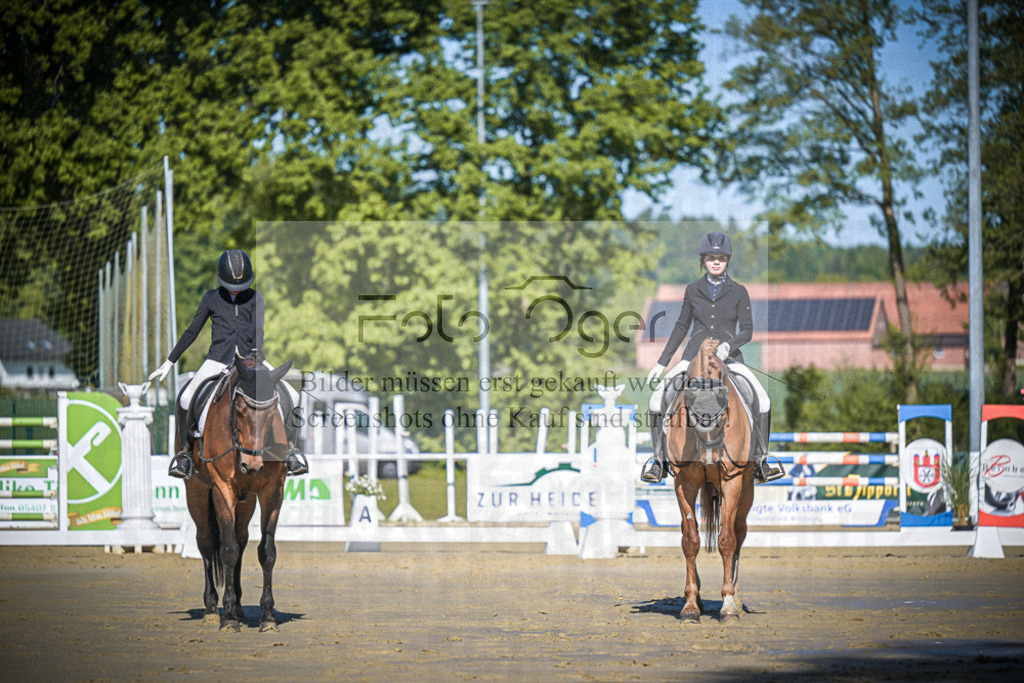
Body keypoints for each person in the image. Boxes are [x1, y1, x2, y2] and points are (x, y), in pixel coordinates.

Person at [148, 249, 308, 479]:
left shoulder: (256, 297)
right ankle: (184, 454)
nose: (237, 290)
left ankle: (292, 452)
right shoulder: (211, 298)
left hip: (252, 359)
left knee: (293, 396)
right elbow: (193, 330)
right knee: (185, 398)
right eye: (233, 286)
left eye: (242, 286)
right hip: (218, 359)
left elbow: (259, 328)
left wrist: (254, 353)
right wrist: (170, 361)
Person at [641, 231, 782, 484]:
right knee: (655, 400)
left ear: (727, 261)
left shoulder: (739, 291)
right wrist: (662, 362)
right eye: (711, 258)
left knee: (763, 399)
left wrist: (730, 345)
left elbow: (748, 330)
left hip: (730, 360)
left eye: (721, 258)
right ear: (703, 261)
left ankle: (762, 459)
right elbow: (681, 327)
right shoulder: (692, 290)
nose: (716, 262)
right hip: (692, 358)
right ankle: (658, 461)